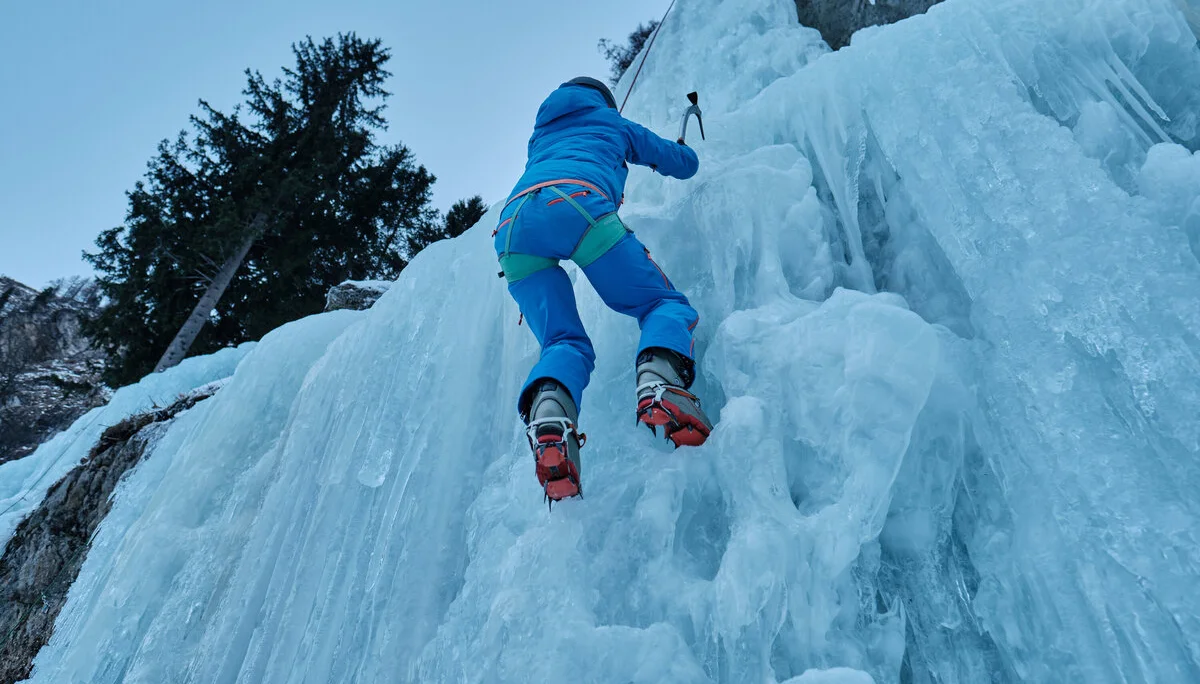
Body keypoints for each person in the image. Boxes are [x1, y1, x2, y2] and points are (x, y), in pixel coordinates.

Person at [494, 76, 714, 504]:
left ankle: (551, 425)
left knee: (561, 341)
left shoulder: (540, 138)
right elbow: (679, 163)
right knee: (660, 303)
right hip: (577, 203)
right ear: (602, 101)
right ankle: (659, 383)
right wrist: (686, 152)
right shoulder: (612, 122)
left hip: (512, 229)